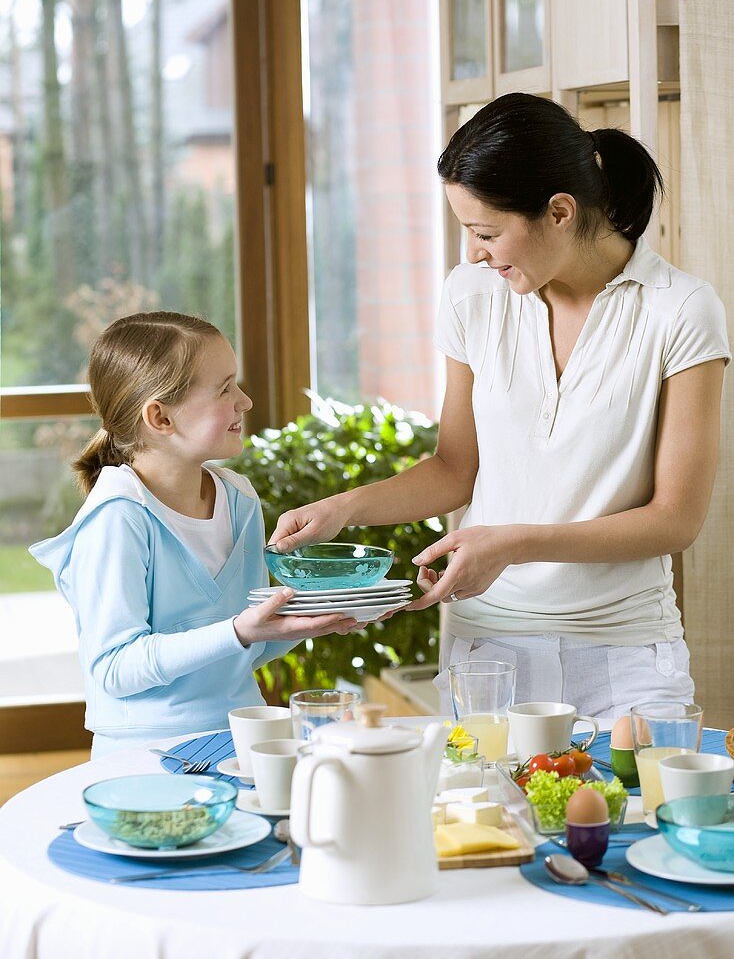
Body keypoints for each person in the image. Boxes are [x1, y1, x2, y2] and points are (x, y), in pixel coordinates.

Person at [270, 93, 730, 718]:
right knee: (485, 818)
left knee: (645, 814)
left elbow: (675, 520)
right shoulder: (473, 297)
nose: (473, 254)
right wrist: (343, 510)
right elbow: (453, 469)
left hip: (626, 650)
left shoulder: (679, 309)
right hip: (489, 652)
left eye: (486, 232)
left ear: (560, 211)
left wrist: (511, 544)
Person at [30, 312, 364, 757]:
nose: (244, 401)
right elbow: (114, 668)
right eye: (225, 388)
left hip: (242, 735)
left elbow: (245, 647)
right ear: (160, 417)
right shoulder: (118, 518)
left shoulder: (239, 500)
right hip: (145, 752)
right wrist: (239, 631)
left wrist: (311, 616)